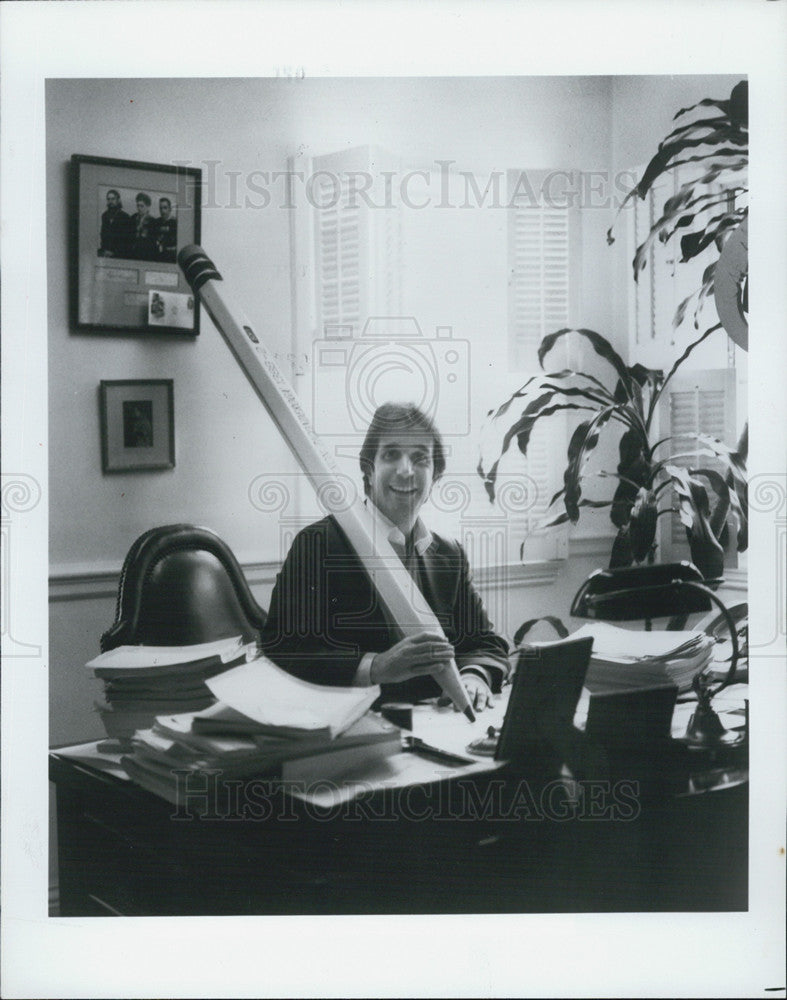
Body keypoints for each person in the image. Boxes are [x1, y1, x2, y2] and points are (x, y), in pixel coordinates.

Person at [260, 403, 510, 711]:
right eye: (391, 455)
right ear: (368, 467)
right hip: (354, 729)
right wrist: (375, 667)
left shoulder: (449, 554)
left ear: (436, 475)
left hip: (441, 723)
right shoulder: (319, 543)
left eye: (420, 458)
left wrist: (474, 676)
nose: (406, 470)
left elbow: (485, 642)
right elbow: (282, 647)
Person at [98, 189, 131, 257]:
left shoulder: (125, 217)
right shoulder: (104, 216)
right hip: (105, 253)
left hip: (119, 255)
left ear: (118, 200)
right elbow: (103, 236)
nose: (110, 202)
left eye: (113, 199)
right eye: (108, 199)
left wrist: (114, 253)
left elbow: (126, 241)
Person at [128, 192, 157, 261]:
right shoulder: (132, 218)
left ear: (148, 207)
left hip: (145, 255)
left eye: (142, 206)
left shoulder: (153, 222)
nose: (139, 208)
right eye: (138, 206)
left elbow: (152, 243)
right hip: (131, 254)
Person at [154, 197, 178, 262]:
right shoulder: (156, 222)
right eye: (160, 208)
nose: (162, 211)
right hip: (157, 257)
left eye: (165, 208)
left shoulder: (176, 224)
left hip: (170, 257)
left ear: (170, 209)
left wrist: (165, 248)